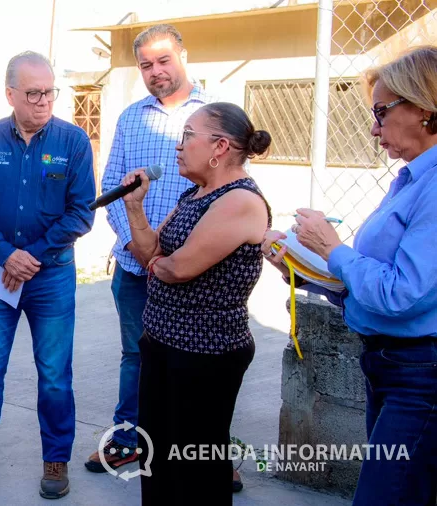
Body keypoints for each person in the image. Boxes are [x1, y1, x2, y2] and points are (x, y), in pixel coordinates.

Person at [262, 45, 437, 506]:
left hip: (419, 373)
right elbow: (373, 284)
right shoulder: (412, 179)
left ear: (423, 107)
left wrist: (332, 249)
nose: (374, 128)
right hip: (390, 365)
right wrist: (304, 269)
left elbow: (401, 293)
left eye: (381, 112)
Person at [0, 50, 96, 500]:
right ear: (10, 94)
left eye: (49, 92)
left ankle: (56, 459)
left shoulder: (73, 142)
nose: (44, 101)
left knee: (54, 374)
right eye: (33, 93)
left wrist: (30, 257)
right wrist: (5, 254)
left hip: (51, 278)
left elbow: (81, 212)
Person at [86, 22, 229, 480]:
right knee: (137, 354)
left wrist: (183, 255)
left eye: (164, 60)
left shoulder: (216, 114)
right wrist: (136, 244)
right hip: (135, 266)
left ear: (183, 56)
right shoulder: (131, 118)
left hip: (196, 269)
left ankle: (210, 451)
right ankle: (128, 441)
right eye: (146, 65)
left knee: (202, 360)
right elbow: (112, 186)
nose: (155, 71)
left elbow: (229, 189)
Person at [121, 102, 272, 505]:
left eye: (188, 135)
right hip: (164, 343)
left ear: (220, 147)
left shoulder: (239, 200)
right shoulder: (196, 194)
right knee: (157, 457)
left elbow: (179, 268)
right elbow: (151, 251)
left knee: (194, 467)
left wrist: (158, 263)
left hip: (204, 353)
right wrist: (134, 206)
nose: (179, 145)